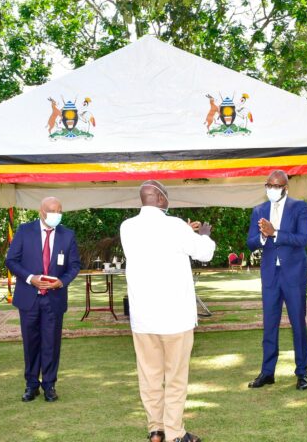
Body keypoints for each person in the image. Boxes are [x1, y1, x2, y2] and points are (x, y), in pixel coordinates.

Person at [120, 180, 215, 442]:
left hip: (143, 318)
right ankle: (175, 432)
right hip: (175, 318)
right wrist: (204, 234)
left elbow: (158, 241)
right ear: (161, 199)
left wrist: (185, 232)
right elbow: (204, 253)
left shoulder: (127, 227)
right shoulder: (175, 226)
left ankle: (156, 429)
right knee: (175, 378)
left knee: (149, 376)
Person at [5, 197, 81, 403]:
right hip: (29, 298)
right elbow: (11, 260)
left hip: (54, 299)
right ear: (41, 212)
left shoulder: (67, 235)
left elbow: (74, 265)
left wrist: (61, 282)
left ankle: (49, 385)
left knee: (51, 344)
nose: (57, 214)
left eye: (59, 210)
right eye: (52, 210)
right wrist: (30, 278)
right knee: (31, 343)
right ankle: (31, 385)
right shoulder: (24, 231)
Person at [246, 170, 307, 390]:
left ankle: (302, 373)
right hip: (270, 276)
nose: (272, 189)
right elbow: (250, 242)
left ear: (285, 188)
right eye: (269, 185)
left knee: (298, 324)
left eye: (276, 186)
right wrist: (263, 236)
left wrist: (275, 233)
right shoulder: (259, 210)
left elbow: (303, 238)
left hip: (294, 275)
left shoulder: (299, 207)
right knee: (269, 325)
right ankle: (267, 372)